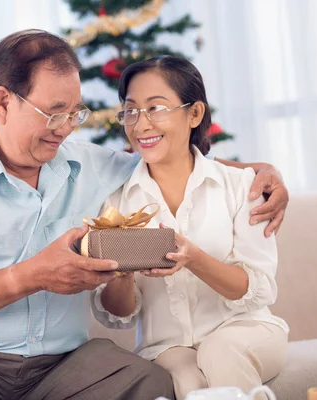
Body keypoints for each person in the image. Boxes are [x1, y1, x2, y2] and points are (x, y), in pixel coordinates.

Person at [0, 30, 288, 400]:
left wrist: (259, 172)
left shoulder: (86, 163)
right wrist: (32, 275)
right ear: (3, 102)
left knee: (148, 382)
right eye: (55, 112)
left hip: (60, 367)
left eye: (75, 113)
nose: (66, 127)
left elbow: (168, 156)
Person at [91, 56, 289, 400]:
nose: (141, 125)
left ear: (194, 114)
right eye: (131, 110)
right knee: (185, 382)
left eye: (156, 108)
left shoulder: (243, 186)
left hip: (247, 330)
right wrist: (121, 275)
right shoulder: (116, 201)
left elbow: (258, 289)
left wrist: (194, 258)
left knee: (219, 351)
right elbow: (117, 314)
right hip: (168, 347)